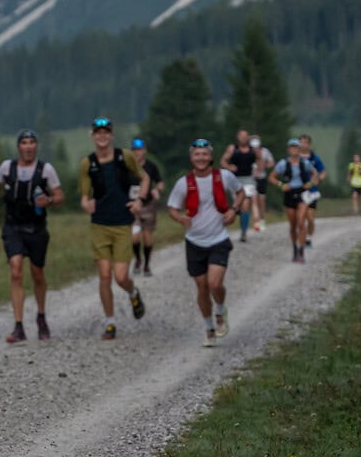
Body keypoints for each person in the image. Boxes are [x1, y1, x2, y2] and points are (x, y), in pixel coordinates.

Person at [0, 129, 65, 342]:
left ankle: (41, 317)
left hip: (37, 228)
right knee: (16, 270)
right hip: (13, 227)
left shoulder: (46, 170)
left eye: (31, 142)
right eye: (24, 143)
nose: (28, 147)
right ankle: (18, 326)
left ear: (36, 146)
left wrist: (49, 201)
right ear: (18, 147)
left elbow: (59, 195)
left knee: (37, 274)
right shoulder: (6, 168)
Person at [168, 138, 247, 347]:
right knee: (202, 287)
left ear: (211, 157)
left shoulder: (224, 176)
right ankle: (209, 328)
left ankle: (220, 310)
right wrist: (180, 219)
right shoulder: (183, 183)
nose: (201, 158)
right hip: (194, 241)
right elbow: (172, 208)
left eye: (205, 154)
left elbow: (240, 192)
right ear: (191, 158)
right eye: (197, 154)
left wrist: (234, 210)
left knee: (215, 283)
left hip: (218, 239)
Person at [76, 117, 149, 340]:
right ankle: (110, 322)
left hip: (122, 223)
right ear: (92, 136)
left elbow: (144, 178)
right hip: (100, 224)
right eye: (98, 132)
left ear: (111, 135)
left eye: (106, 132)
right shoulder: (87, 163)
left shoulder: (124, 156)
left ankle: (133, 292)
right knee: (105, 276)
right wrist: (86, 204)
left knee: (120, 276)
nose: (102, 136)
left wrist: (139, 200)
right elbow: (85, 196)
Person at [269, 138, 319, 263]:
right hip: (289, 193)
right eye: (292, 147)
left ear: (299, 149)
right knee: (293, 225)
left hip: (302, 193)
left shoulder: (305, 163)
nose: (294, 150)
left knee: (301, 222)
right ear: (288, 149)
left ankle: (301, 251)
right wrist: (281, 185)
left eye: (296, 147)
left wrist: (310, 183)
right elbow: (272, 177)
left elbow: (315, 174)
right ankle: (295, 249)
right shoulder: (283, 164)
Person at [130, 138, 163, 276]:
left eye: (139, 149)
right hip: (132, 206)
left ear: (144, 151)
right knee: (135, 237)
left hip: (148, 205)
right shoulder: (127, 166)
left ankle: (147, 265)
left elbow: (160, 182)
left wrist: (157, 190)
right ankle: (138, 259)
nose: (137, 152)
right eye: (134, 150)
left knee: (147, 236)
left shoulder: (151, 166)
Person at [220, 129, 258, 241]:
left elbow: (260, 159)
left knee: (245, 204)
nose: (243, 138)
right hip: (235, 179)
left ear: (248, 138)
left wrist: (258, 171)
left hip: (248, 179)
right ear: (237, 137)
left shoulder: (253, 149)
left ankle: (244, 232)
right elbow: (223, 161)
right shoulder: (232, 148)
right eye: (241, 136)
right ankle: (228, 221)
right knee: (237, 205)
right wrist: (229, 167)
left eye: (245, 136)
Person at [298, 134, 326, 248]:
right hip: (298, 191)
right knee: (301, 217)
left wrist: (318, 179)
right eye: (301, 142)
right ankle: (301, 238)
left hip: (312, 192)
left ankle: (308, 238)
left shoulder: (315, 158)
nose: (303, 145)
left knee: (310, 217)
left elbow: (323, 172)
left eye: (305, 142)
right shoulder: (295, 157)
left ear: (309, 144)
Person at [249, 136, 275, 232]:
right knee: (254, 200)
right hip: (251, 179)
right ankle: (256, 222)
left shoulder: (265, 151)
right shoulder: (248, 151)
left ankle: (262, 221)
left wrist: (264, 166)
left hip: (262, 178)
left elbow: (272, 162)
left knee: (261, 201)